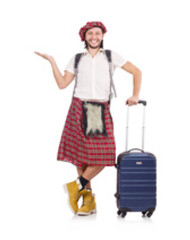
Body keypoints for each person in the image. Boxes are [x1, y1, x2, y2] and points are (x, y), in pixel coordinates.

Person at [34, 21, 142, 216]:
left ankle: (77, 186)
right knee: (81, 157)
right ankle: (88, 200)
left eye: (98, 33)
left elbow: (137, 72)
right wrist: (51, 61)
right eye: (90, 34)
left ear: (102, 36)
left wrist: (135, 95)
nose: (94, 37)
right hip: (79, 107)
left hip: (99, 108)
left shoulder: (110, 56)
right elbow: (62, 84)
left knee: (106, 153)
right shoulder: (77, 59)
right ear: (84, 37)